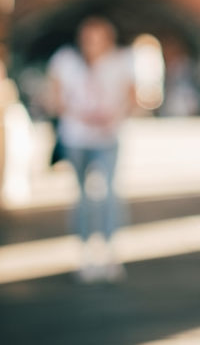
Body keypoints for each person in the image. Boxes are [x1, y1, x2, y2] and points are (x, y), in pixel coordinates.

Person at [46, 16, 136, 283]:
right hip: (76, 137)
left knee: (109, 194)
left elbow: (133, 96)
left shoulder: (120, 61)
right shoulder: (65, 60)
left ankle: (109, 251)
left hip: (107, 137)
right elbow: (54, 96)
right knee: (82, 197)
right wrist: (80, 114)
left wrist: (114, 116)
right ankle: (84, 252)